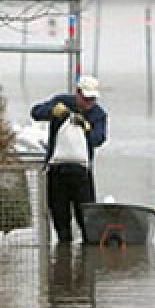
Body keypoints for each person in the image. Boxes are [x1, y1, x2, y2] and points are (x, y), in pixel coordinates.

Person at [30, 75, 107, 243]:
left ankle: (85, 264)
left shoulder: (98, 114)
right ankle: (63, 260)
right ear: (77, 93)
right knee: (60, 221)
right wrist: (52, 112)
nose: (88, 103)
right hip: (57, 172)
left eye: (92, 99)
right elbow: (35, 112)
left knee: (87, 222)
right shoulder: (62, 102)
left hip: (81, 175)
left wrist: (86, 129)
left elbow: (98, 139)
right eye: (85, 98)